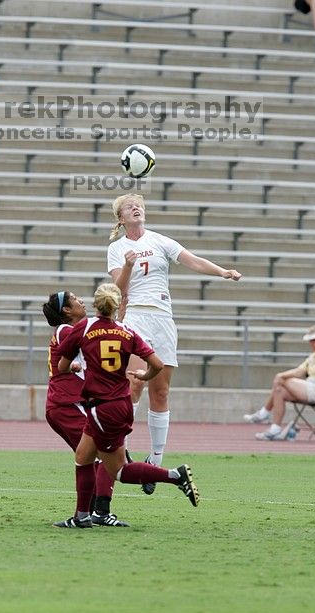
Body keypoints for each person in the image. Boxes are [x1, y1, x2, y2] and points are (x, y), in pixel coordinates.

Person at [107, 193, 241, 493]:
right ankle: (122, 450)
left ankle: (154, 461)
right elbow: (117, 291)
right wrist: (128, 266)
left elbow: (192, 260)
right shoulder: (117, 249)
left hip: (163, 317)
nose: (136, 208)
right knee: (133, 384)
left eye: (139, 205)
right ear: (121, 218)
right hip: (136, 317)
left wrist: (222, 272)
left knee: (162, 390)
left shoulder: (160, 241)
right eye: (130, 207)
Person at [57, 281, 199, 529]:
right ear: (116, 306)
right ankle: (81, 516)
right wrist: (144, 376)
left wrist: (74, 366)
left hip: (104, 407)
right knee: (83, 457)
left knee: (119, 470)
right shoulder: (127, 331)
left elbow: (61, 365)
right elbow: (156, 363)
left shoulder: (84, 328)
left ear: (95, 304)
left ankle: (175, 476)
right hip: (118, 403)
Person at [42, 290, 127, 528]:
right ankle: (98, 512)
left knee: (90, 459)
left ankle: (88, 512)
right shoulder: (67, 330)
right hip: (68, 404)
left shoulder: (71, 331)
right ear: (66, 311)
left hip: (67, 404)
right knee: (105, 456)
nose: (81, 301)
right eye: (75, 299)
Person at [244, 324, 315, 441]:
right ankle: (274, 429)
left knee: (282, 380)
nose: (312, 343)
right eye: (310, 340)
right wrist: (281, 375)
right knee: (279, 390)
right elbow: (299, 371)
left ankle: (264, 412)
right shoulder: (313, 356)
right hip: (313, 388)